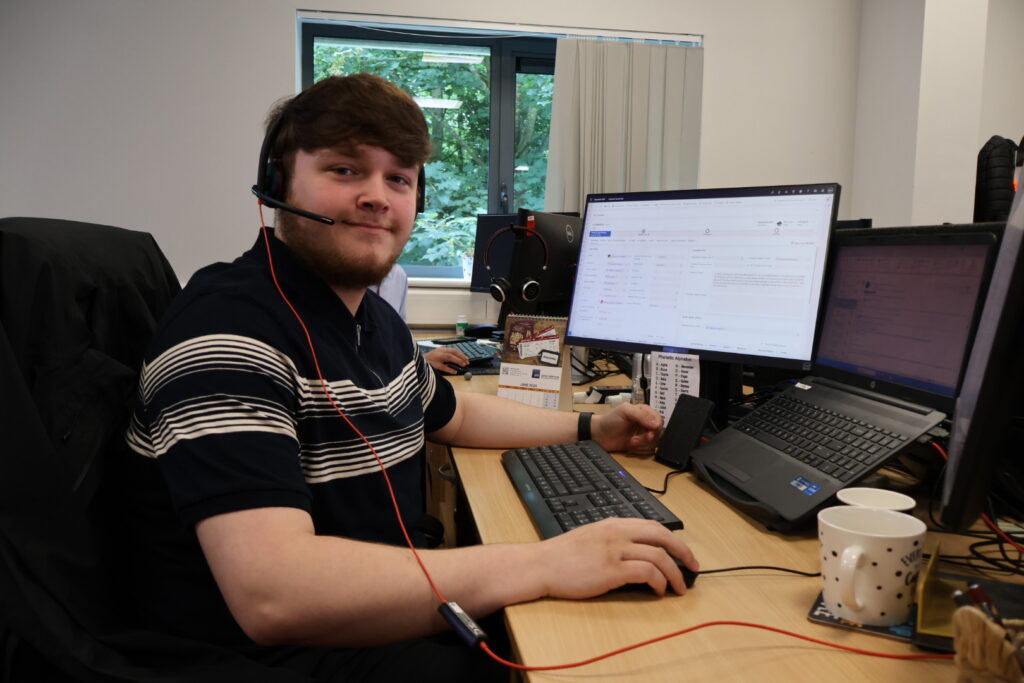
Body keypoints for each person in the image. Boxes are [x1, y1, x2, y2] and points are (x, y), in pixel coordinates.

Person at [123, 73, 698, 682]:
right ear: (275, 184)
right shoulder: (227, 333)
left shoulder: (371, 320)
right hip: (264, 654)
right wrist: (546, 563)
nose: (377, 197)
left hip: (373, 606)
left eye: (398, 178)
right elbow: (274, 596)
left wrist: (591, 428)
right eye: (345, 169)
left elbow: (456, 413)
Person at [372, 263, 470, 374]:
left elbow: (399, 341)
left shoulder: (397, 275)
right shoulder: (355, 282)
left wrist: (420, 360)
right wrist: (420, 362)